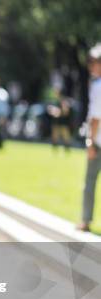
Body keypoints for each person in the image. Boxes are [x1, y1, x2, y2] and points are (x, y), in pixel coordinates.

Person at [78, 43, 101, 232]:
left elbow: (95, 118)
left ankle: (85, 220)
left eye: (93, 63)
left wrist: (91, 143)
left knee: (90, 181)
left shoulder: (98, 86)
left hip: (99, 141)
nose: (91, 67)